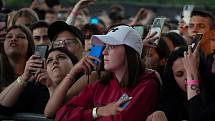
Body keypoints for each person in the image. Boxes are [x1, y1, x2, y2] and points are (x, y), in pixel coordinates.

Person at [55, 25, 160, 121]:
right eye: (105, 46)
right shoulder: (99, 85)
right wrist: (97, 112)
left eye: (112, 46)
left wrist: (84, 116)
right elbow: (62, 115)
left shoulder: (147, 85)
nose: (104, 52)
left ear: (129, 52)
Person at [147, 46, 212, 121]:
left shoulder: (211, 93)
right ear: (173, 78)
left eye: (190, 71)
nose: (187, 77)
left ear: (201, 70)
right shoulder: (169, 100)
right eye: (179, 74)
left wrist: (192, 77)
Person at [0, 25, 34, 91]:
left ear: (29, 45)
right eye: (9, 37)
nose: (13, 39)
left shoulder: (38, 77)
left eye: (20, 37)